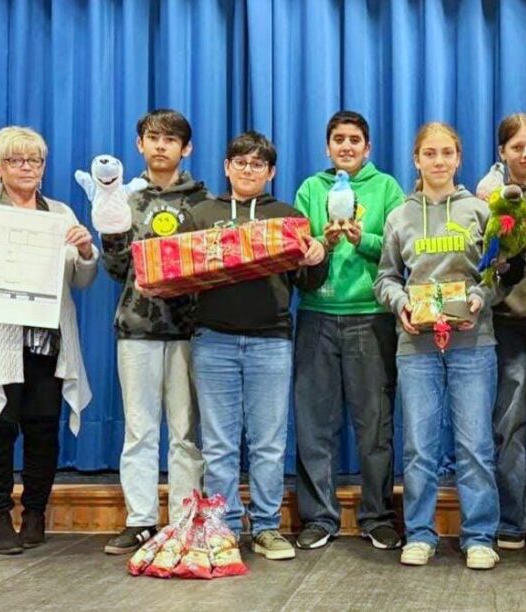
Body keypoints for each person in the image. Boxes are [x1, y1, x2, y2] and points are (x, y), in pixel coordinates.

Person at [176, 131, 327, 561]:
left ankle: (266, 527)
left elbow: (308, 281)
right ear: (226, 167)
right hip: (213, 341)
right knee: (219, 445)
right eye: (240, 162)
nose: (248, 170)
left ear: (271, 172)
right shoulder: (201, 214)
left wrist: (318, 257)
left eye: (257, 164)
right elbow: (179, 277)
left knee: (268, 443)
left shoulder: (288, 217)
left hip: (270, 341)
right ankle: (222, 529)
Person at [0, 126, 98, 554]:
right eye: (16, 160)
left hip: (49, 342)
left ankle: (35, 512)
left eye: (35, 160)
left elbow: (80, 281)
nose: (27, 167)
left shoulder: (61, 213)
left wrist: (88, 252)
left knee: (43, 429)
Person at [374, 122, 501, 569]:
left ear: (459, 158)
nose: (439, 161)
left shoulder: (479, 212)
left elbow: (497, 273)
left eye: (447, 152)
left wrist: (480, 297)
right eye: (430, 153)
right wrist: (401, 303)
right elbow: (386, 278)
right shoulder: (399, 216)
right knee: (419, 447)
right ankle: (420, 533)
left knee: (475, 445)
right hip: (417, 346)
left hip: (472, 342)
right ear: (416, 160)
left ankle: (479, 535)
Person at [292, 111, 404, 551]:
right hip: (316, 315)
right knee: (314, 426)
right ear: (327, 147)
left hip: (371, 316)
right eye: (338, 139)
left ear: (367, 147)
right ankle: (319, 517)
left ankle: (377, 516)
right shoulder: (310, 189)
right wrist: (325, 242)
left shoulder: (387, 188)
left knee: (374, 425)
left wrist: (363, 240)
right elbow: (298, 249)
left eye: (355, 139)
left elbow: (401, 250)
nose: (346, 146)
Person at [101, 110, 207, 555]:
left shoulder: (204, 202)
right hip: (137, 326)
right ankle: (140, 520)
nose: (161, 145)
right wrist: (110, 236)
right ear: (139, 144)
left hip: (189, 329)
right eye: (153, 137)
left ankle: (185, 519)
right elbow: (115, 269)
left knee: (186, 431)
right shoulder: (123, 198)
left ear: (186, 148)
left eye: (171, 139)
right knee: (140, 430)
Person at [474, 114, 526, 550]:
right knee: (509, 424)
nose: (525, 154)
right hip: (507, 323)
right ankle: (511, 519)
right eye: (516, 147)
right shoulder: (487, 200)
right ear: (502, 153)